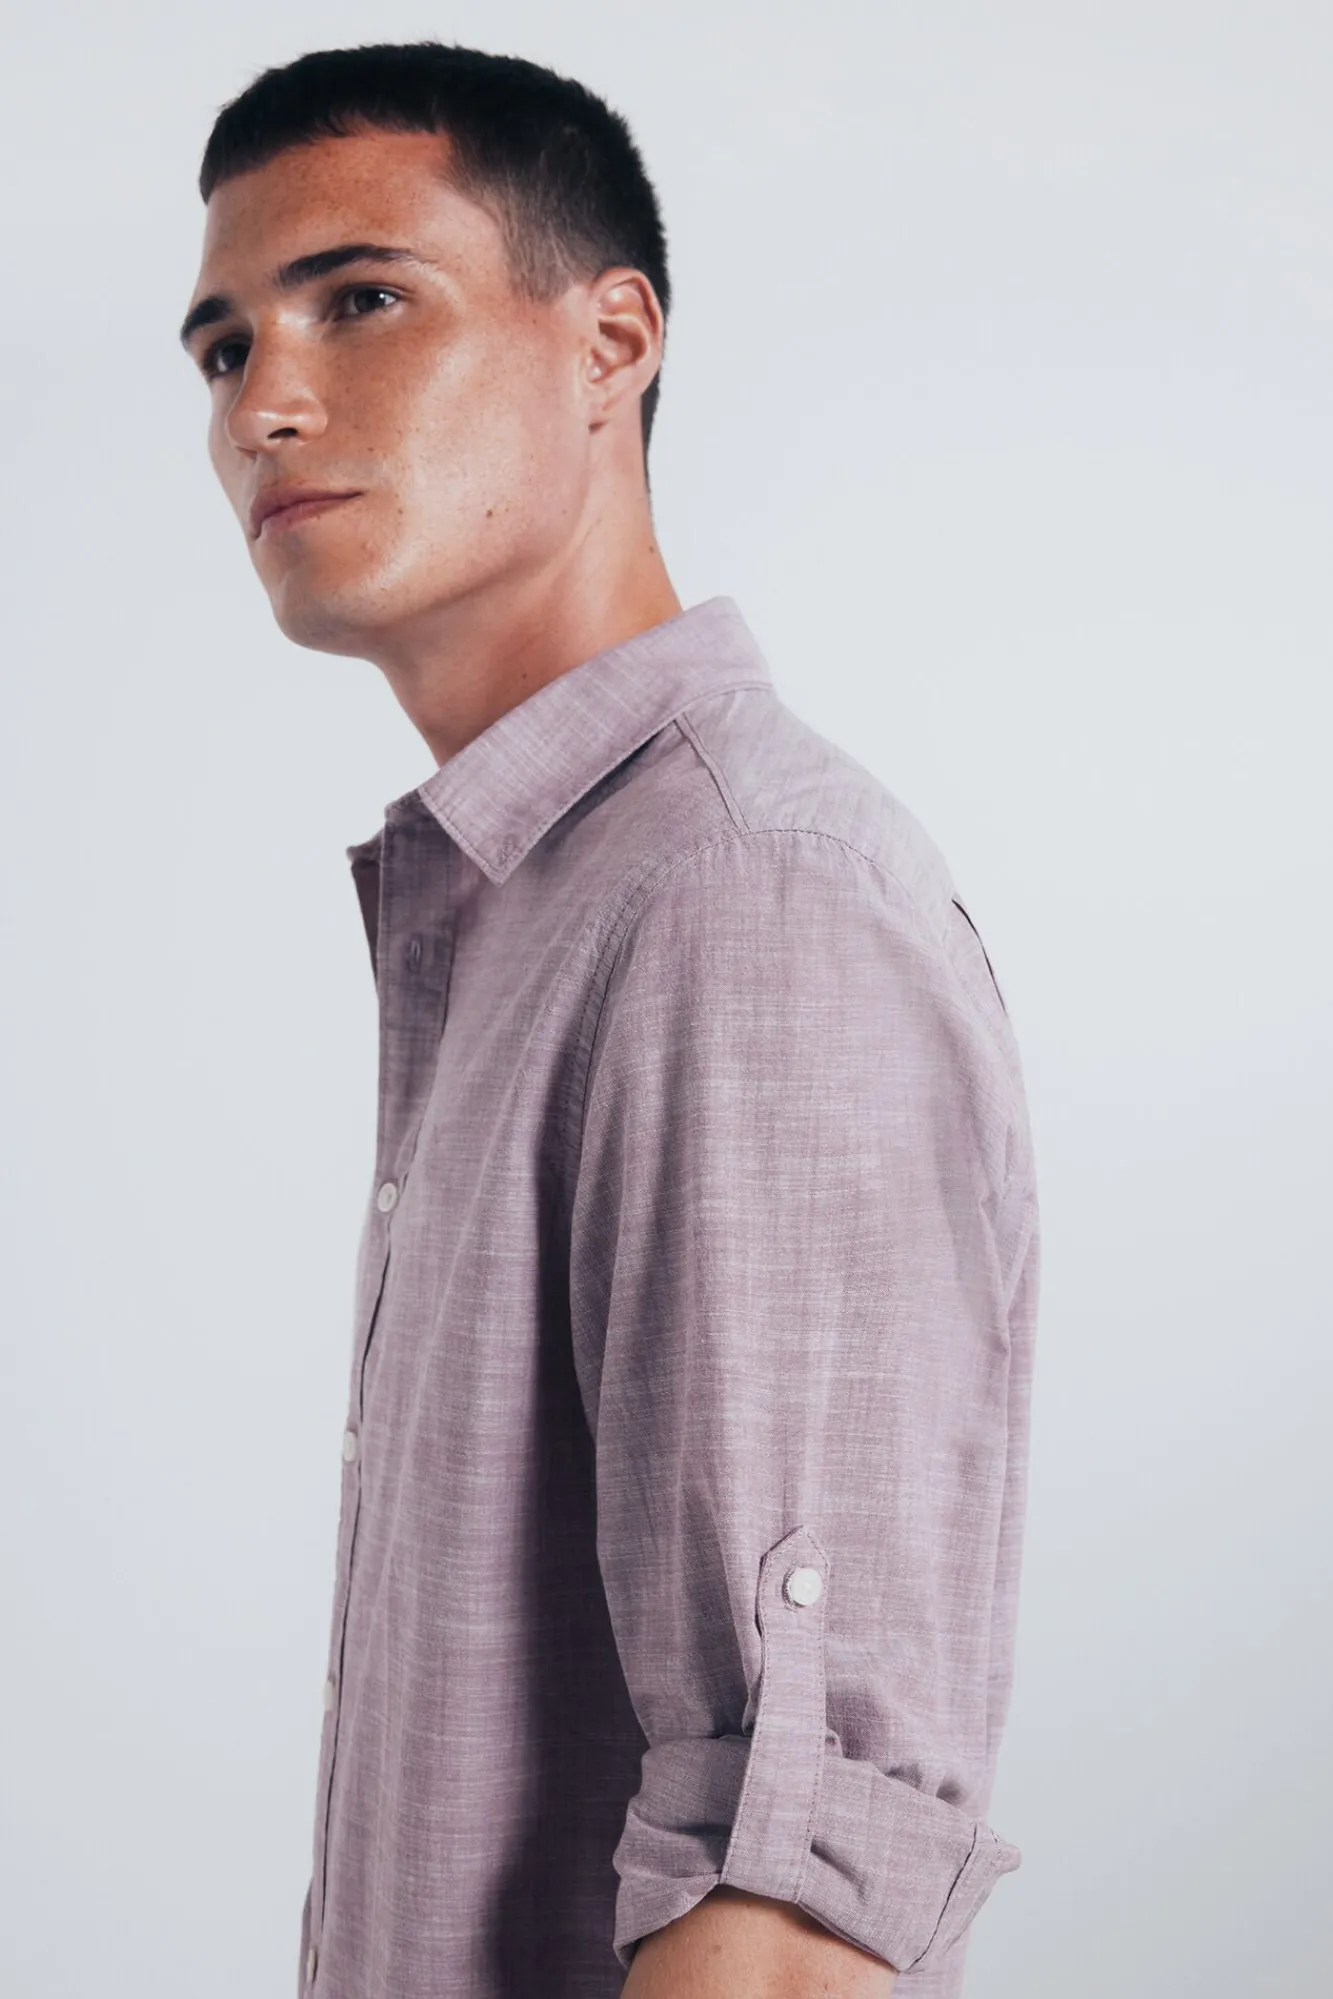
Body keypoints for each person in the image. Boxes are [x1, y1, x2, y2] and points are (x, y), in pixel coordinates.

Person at [178, 40, 1040, 1999]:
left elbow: (791, 1921)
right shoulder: (534, 902)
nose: (264, 402)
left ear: (611, 342)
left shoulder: (744, 898)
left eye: (360, 299)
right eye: (222, 350)